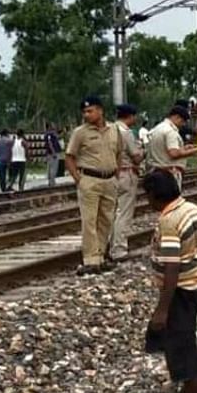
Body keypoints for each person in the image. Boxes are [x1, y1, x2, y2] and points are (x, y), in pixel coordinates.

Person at [142, 169, 197, 393]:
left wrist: (162, 310)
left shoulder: (169, 221)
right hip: (196, 283)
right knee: (175, 340)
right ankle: (186, 389)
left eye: (147, 196)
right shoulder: (192, 209)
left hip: (181, 290)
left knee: (182, 346)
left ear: (155, 195)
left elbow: (172, 268)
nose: (147, 201)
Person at [65, 96, 122, 275]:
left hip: (110, 180)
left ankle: (102, 256)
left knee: (106, 219)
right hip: (89, 180)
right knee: (89, 220)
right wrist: (78, 179)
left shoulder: (114, 130)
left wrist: (117, 174)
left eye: (90, 111)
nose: (86, 115)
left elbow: (119, 152)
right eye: (84, 112)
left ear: (100, 110)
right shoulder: (80, 132)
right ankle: (91, 259)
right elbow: (69, 157)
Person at [110, 104, 145, 262]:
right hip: (126, 173)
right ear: (130, 116)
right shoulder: (126, 133)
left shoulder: (109, 129)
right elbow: (136, 157)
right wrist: (145, 150)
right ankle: (119, 250)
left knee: (110, 213)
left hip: (111, 175)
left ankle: (106, 247)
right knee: (123, 213)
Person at [147, 106, 197, 188]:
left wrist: (184, 148)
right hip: (169, 173)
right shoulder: (170, 131)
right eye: (182, 121)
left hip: (157, 171)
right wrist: (194, 150)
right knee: (172, 199)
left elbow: (165, 149)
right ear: (177, 117)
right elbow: (174, 153)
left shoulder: (157, 128)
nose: (183, 124)